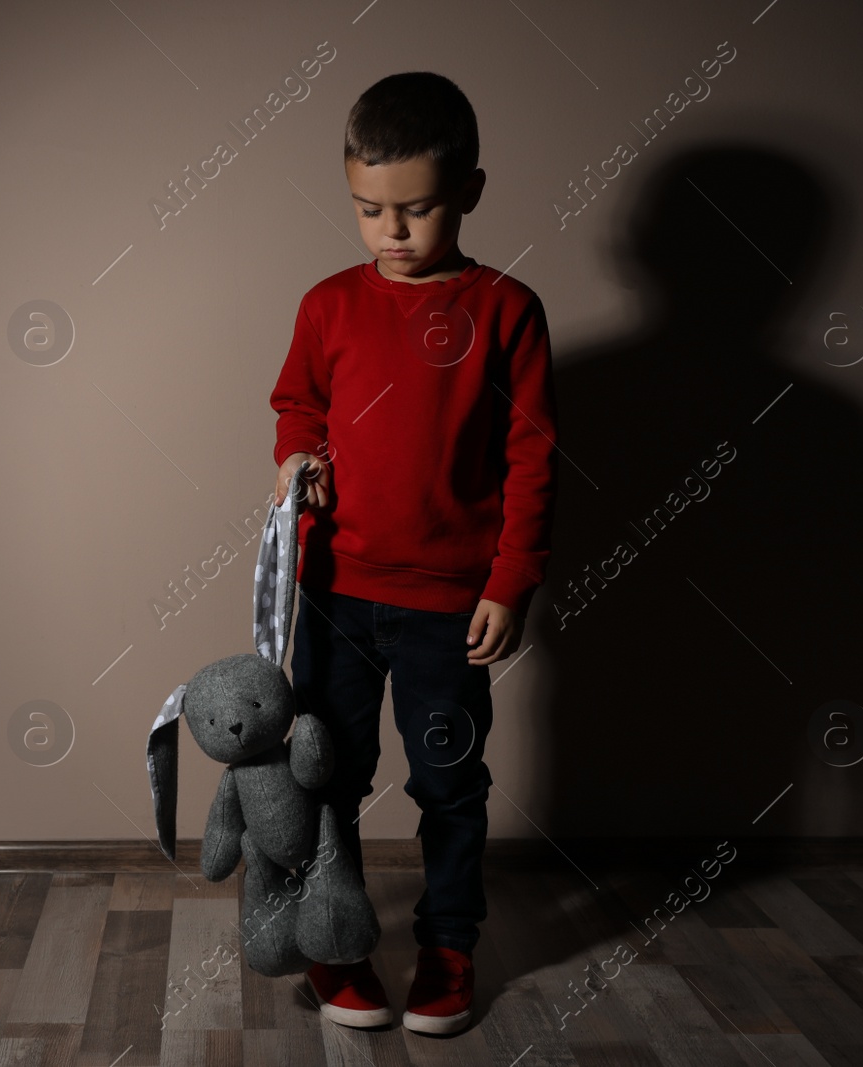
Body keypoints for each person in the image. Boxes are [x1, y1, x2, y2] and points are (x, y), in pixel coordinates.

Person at [269, 70, 557, 1035]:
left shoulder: (510, 310)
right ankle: (334, 940)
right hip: (334, 592)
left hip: (449, 604)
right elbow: (297, 402)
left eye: (417, 209)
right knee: (327, 772)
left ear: (470, 190)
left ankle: (448, 947)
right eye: (368, 209)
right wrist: (294, 454)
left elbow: (531, 457)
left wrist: (511, 581)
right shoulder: (326, 305)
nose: (391, 231)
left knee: (449, 782)